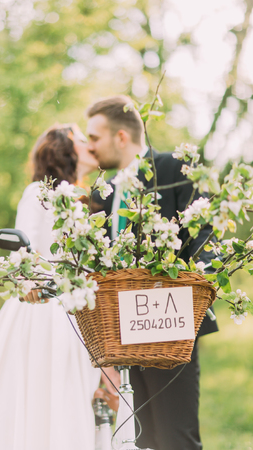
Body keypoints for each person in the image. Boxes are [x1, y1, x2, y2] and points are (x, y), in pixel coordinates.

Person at [0, 124, 101, 450]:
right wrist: (33, 279)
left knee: (79, 403)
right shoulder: (38, 193)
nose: (91, 143)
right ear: (64, 149)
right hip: (44, 312)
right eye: (82, 138)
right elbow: (24, 253)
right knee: (42, 401)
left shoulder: (90, 202)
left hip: (83, 317)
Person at [86, 96, 218, 450]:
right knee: (145, 439)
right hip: (123, 328)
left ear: (122, 137)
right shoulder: (106, 192)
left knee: (177, 436)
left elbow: (203, 234)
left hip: (170, 320)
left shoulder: (173, 169)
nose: (89, 147)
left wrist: (202, 288)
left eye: (94, 138)